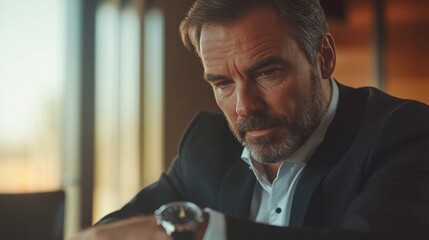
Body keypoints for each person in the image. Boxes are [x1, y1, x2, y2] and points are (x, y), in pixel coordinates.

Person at [71, 0, 429, 239]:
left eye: (268, 72)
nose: (244, 106)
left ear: (323, 56)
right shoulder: (207, 142)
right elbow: (119, 229)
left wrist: (207, 231)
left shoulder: (404, 133)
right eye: (223, 83)